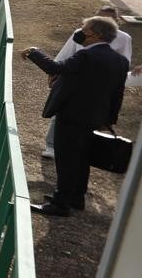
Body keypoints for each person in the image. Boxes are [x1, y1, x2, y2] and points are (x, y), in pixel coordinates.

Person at [22, 15, 128, 217]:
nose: (80, 32)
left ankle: (60, 203)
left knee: (66, 158)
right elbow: (118, 93)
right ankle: (76, 197)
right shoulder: (120, 61)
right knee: (81, 158)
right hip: (95, 118)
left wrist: (34, 53)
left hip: (72, 115)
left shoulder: (86, 56)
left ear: (95, 34)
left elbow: (55, 68)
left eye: (84, 29)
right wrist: (109, 120)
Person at [41, 6, 132, 159]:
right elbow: (66, 54)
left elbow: (124, 62)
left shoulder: (124, 38)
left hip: (99, 87)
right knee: (62, 111)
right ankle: (52, 146)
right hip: (74, 80)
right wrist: (54, 73)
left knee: (86, 120)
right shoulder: (81, 33)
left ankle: (79, 151)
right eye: (98, 17)